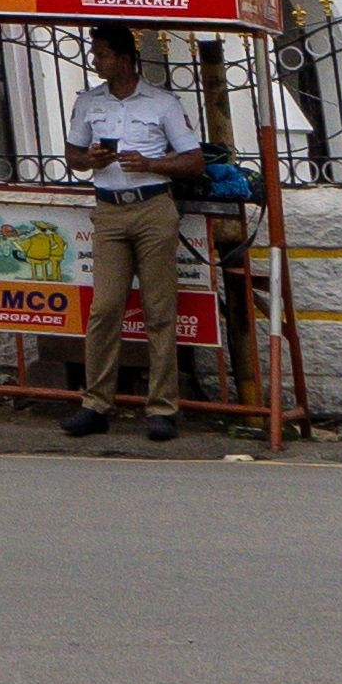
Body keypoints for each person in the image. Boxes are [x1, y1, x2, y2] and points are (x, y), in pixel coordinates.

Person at [61, 23, 205, 439]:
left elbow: (194, 161)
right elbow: (73, 155)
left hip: (152, 206)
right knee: (105, 308)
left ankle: (162, 408)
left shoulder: (162, 103)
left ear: (124, 59)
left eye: (102, 54)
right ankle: (95, 403)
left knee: (159, 311)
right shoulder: (89, 101)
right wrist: (89, 159)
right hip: (109, 209)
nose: (95, 61)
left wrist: (151, 164)